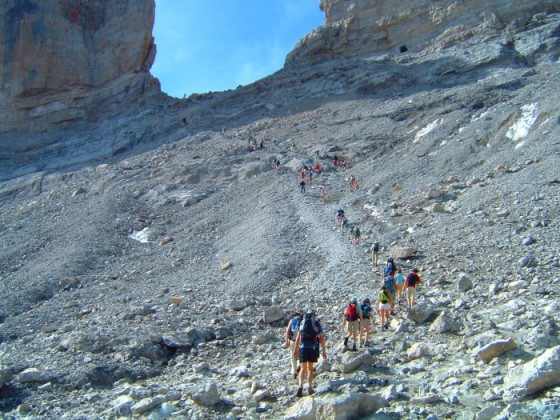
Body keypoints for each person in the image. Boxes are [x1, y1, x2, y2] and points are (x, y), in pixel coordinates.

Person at [293, 311, 327, 397]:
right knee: (310, 368)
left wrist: (295, 350)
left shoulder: (302, 323)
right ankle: (309, 387)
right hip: (313, 348)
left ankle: (300, 386)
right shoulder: (316, 324)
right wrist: (324, 351)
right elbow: (322, 338)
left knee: (302, 368)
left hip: (303, 348)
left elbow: (298, 338)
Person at [285, 312, 303, 379]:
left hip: (293, 340)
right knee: (301, 356)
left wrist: (287, 340)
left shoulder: (292, 320)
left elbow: (287, 331)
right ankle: (301, 368)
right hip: (301, 341)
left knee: (293, 356)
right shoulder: (302, 320)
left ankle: (294, 372)